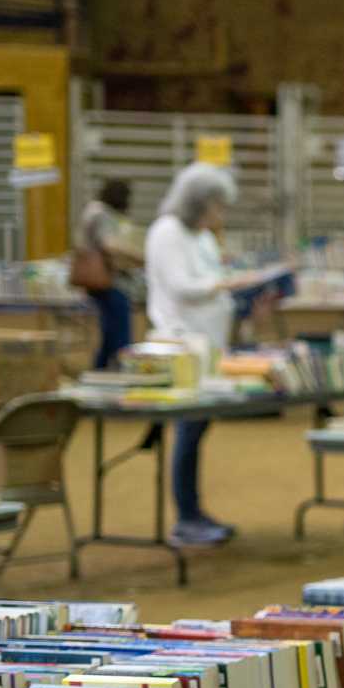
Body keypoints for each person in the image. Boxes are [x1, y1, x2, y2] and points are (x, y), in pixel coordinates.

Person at [144, 162, 279, 548]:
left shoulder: (201, 235)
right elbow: (184, 287)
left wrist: (247, 289)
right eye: (216, 206)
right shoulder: (167, 231)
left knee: (197, 431)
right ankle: (186, 517)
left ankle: (193, 512)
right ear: (197, 202)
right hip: (181, 345)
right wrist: (229, 282)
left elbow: (211, 282)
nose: (220, 215)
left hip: (209, 345)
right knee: (188, 431)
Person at [79, 179, 144, 369]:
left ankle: (100, 370)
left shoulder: (93, 211)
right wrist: (139, 256)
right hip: (109, 283)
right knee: (120, 335)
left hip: (99, 284)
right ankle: (119, 370)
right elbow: (109, 244)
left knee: (108, 334)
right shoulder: (100, 214)